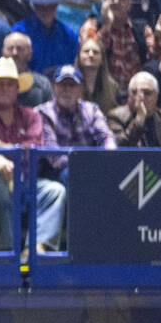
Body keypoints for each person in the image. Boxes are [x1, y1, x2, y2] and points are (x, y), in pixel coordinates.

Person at [0, 57, 66, 252]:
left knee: (55, 191)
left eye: (10, 84)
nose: (5, 88)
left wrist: (2, 146)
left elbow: (35, 146)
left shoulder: (31, 115)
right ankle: (8, 251)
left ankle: (35, 248)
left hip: (27, 180)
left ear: (17, 89)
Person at [36, 64, 115, 249]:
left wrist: (109, 158)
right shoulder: (42, 112)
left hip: (89, 169)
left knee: (112, 176)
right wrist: (86, 166)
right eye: (63, 85)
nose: (67, 90)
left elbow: (106, 137)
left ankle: (113, 239)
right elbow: (53, 156)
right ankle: (86, 243)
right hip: (55, 172)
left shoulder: (92, 109)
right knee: (75, 177)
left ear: (80, 89)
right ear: (54, 87)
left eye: (72, 85)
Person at [79, 0, 145, 93]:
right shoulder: (91, 26)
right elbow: (90, 58)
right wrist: (107, 25)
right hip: (101, 93)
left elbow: (155, 62)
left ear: (129, 4)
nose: (116, 1)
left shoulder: (141, 30)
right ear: (104, 2)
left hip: (134, 95)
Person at [106, 71, 161, 147]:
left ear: (156, 96)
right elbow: (119, 149)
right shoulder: (115, 117)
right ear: (128, 95)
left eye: (147, 93)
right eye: (134, 92)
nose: (141, 97)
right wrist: (139, 121)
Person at [2, 32, 51, 108]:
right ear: (3, 53)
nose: (15, 53)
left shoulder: (42, 85)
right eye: (10, 48)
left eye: (20, 49)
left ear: (30, 54)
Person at [75, 36, 118, 114]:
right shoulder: (71, 83)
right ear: (79, 56)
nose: (91, 55)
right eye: (86, 51)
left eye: (95, 52)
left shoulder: (112, 86)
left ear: (102, 59)